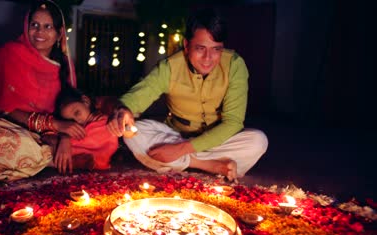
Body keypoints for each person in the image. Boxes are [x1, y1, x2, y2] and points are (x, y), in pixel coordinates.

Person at [107, 7, 268, 180]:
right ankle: (211, 165)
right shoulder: (170, 67)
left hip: (218, 140)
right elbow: (137, 97)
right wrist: (124, 109)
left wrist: (182, 150)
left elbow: (233, 123)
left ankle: (184, 161)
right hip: (176, 136)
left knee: (258, 141)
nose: (208, 58)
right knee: (131, 132)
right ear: (186, 45)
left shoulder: (235, 65)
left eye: (216, 49)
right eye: (200, 48)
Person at [0, 0, 88, 181]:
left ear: (59, 34)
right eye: (35, 25)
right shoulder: (9, 54)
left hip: (49, 135)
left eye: (48, 26)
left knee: (89, 133)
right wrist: (54, 126)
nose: (40, 32)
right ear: (26, 27)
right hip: (12, 128)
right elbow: (4, 109)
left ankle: (46, 156)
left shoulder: (64, 66)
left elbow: (68, 112)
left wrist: (63, 137)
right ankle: (48, 158)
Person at [41, 87, 118, 173]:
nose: (77, 121)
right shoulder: (74, 128)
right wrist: (64, 138)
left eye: (77, 113)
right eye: (70, 121)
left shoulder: (104, 119)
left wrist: (66, 140)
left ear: (86, 101)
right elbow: (50, 136)